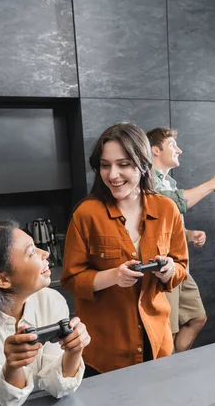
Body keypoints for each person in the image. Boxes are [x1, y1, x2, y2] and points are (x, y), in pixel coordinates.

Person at [61, 122, 188, 375]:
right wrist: (114, 276)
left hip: (157, 344)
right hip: (105, 352)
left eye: (123, 164)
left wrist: (169, 271)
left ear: (142, 163)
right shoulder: (86, 214)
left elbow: (181, 266)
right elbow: (72, 279)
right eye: (105, 165)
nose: (112, 175)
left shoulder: (166, 209)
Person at [0, 221, 90, 406]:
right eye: (31, 252)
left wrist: (74, 350)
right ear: (2, 280)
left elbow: (55, 387)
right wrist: (14, 366)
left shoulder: (50, 300)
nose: (46, 254)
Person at [146, 127, 215, 352]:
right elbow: (175, 203)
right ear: (155, 150)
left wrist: (188, 234)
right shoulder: (147, 182)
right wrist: (214, 183)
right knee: (168, 331)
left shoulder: (169, 183)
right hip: (163, 268)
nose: (180, 150)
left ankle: (178, 364)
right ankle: (170, 377)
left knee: (197, 317)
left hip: (180, 267)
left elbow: (166, 223)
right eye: (172, 145)